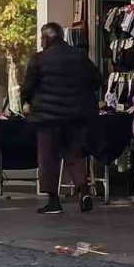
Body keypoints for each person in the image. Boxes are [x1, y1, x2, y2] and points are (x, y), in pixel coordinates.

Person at [21, 22, 101, 215]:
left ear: (47, 38)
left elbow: (28, 86)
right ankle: (83, 191)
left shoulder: (39, 59)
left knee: (48, 158)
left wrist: (27, 102)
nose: (41, 42)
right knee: (73, 155)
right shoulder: (79, 56)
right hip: (76, 116)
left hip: (48, 119)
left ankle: (53, 200)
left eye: (41, 38)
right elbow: (96, 80)